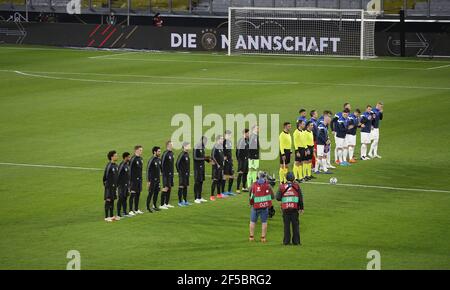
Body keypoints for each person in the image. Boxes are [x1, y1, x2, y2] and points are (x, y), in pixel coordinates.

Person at [276, 172, 304, 245]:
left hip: (285, 209)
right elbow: (300, 198)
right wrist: (301, 208)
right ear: (293, 178)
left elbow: (278, 198)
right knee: (295, 226)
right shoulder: (297, 186)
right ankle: (296, 242)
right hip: (294, 209)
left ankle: (286, 242)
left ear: (286, 178)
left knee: (286, 226)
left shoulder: (282, 186)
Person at [249, 171, 274, 243]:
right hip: (264, 206)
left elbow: (250, 194)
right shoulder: (268, 185)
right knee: (264, 222)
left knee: (252, 221)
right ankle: (263, 238)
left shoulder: (253, 185)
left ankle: (251, 237)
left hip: (255, 206)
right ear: (264, 177)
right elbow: (272, 196)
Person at [103, 150, 119, 222]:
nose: (117, 157)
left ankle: (112, 216)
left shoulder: (116, 165)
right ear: (112, 157)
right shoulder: (109, 166)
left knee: (112, 200)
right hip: (109, 187)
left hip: (114, 187)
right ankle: (106, 217)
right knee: (108, 200)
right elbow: (105, 177)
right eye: (115, 156)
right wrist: (107, 186)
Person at [129, 145, 144, 215]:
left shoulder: (141, 159)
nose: (141, 151)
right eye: (140, 150)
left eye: (141, 150)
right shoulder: (133, 159)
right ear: (136, 150)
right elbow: (130, 170)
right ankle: (130, 210)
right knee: (132, 195)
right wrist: (130, 181)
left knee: (138, 194)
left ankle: (136, 209)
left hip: (139, 180)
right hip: (133, 180)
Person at [193, 136, 209, 204]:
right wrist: (204, 159)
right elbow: (195, 158)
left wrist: (208, 159)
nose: (206, 142)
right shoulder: (196, 147)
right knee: (197, 182)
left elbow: (202, 157)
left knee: (201, 182)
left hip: (202, 167)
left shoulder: (203, 147)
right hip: (197, 168)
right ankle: (196, 198)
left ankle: (199, 197)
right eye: (205, 141)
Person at [146, 146, 162, 213]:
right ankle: (147, 207)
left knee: (156, 193)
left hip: (157, 180)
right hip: (152, 180)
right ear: (154, 152)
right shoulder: (151, 159)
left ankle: (154, 206)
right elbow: (148, 170)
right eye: (158, 151)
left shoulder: (159, 159)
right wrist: (148, 181)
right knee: (150, 193)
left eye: (160, 151)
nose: (159, 152)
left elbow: (160, 168)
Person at [161, 141, 175, 209]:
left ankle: (166, 203)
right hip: (166, 174)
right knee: (165, 188)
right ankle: (162, 204)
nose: (172, 145)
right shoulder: (165, 153)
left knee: (169, 188)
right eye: (171, 144)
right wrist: (163, 172)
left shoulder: (172, 153)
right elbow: (162, 163)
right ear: (168, 145)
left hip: (171, 174)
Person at [176, 142, 191, 207]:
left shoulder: (187, 154)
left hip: (186, 174)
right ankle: (180, 202)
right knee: (181, 187)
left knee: (185, 187)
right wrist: (180, 172)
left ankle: (185, 200)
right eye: (188, 145)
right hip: (182, 174)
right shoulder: (182, 154)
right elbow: (177, 164)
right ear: (184, 146)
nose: (189, 146)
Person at [211, 135, 225, 200]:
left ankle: (219, 194)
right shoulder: (215, 147)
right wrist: (217, 164)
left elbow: (221, 155)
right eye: (221, 139)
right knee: (215, 180)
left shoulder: (220, 147)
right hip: (216, 167)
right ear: (218, 140)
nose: (223, 140)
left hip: (221, 167)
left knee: (220, 180)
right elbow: (213, 156)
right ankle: (212, 196)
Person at [117, 152, 131, 218]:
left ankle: (125, 212)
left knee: (125, 198)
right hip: (121, 185)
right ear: (125, 157)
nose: (129, 158)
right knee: (120, 199)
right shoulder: (122, 165)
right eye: (128, 157)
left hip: (126, 185)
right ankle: (118, 213)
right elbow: (118, 175)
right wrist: (118, 186)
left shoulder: (127, 164)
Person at [236, 129, 250, 194]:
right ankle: (237, 188)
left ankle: (244, 187)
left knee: (245, 173)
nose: (248, 134)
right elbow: (238, 152)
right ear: (245, 133)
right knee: (240, 173)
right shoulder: (241, 141)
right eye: (248, 133)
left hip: (246, 160)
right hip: (241, 160)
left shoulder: (247, 140)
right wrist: (239, 160)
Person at [223, 130, 235, 195]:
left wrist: (231, 157)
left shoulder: (230, 142)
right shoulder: (223, 142)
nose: (229, 136)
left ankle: (229, 191)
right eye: (228, 135)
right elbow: (222, 151)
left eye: (230, 135)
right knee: (225, 176)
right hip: (226, 161)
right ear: (225, 135)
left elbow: (229, 151)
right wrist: (224, 157)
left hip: (230, 161)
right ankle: (222, 191)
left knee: (232, 175)